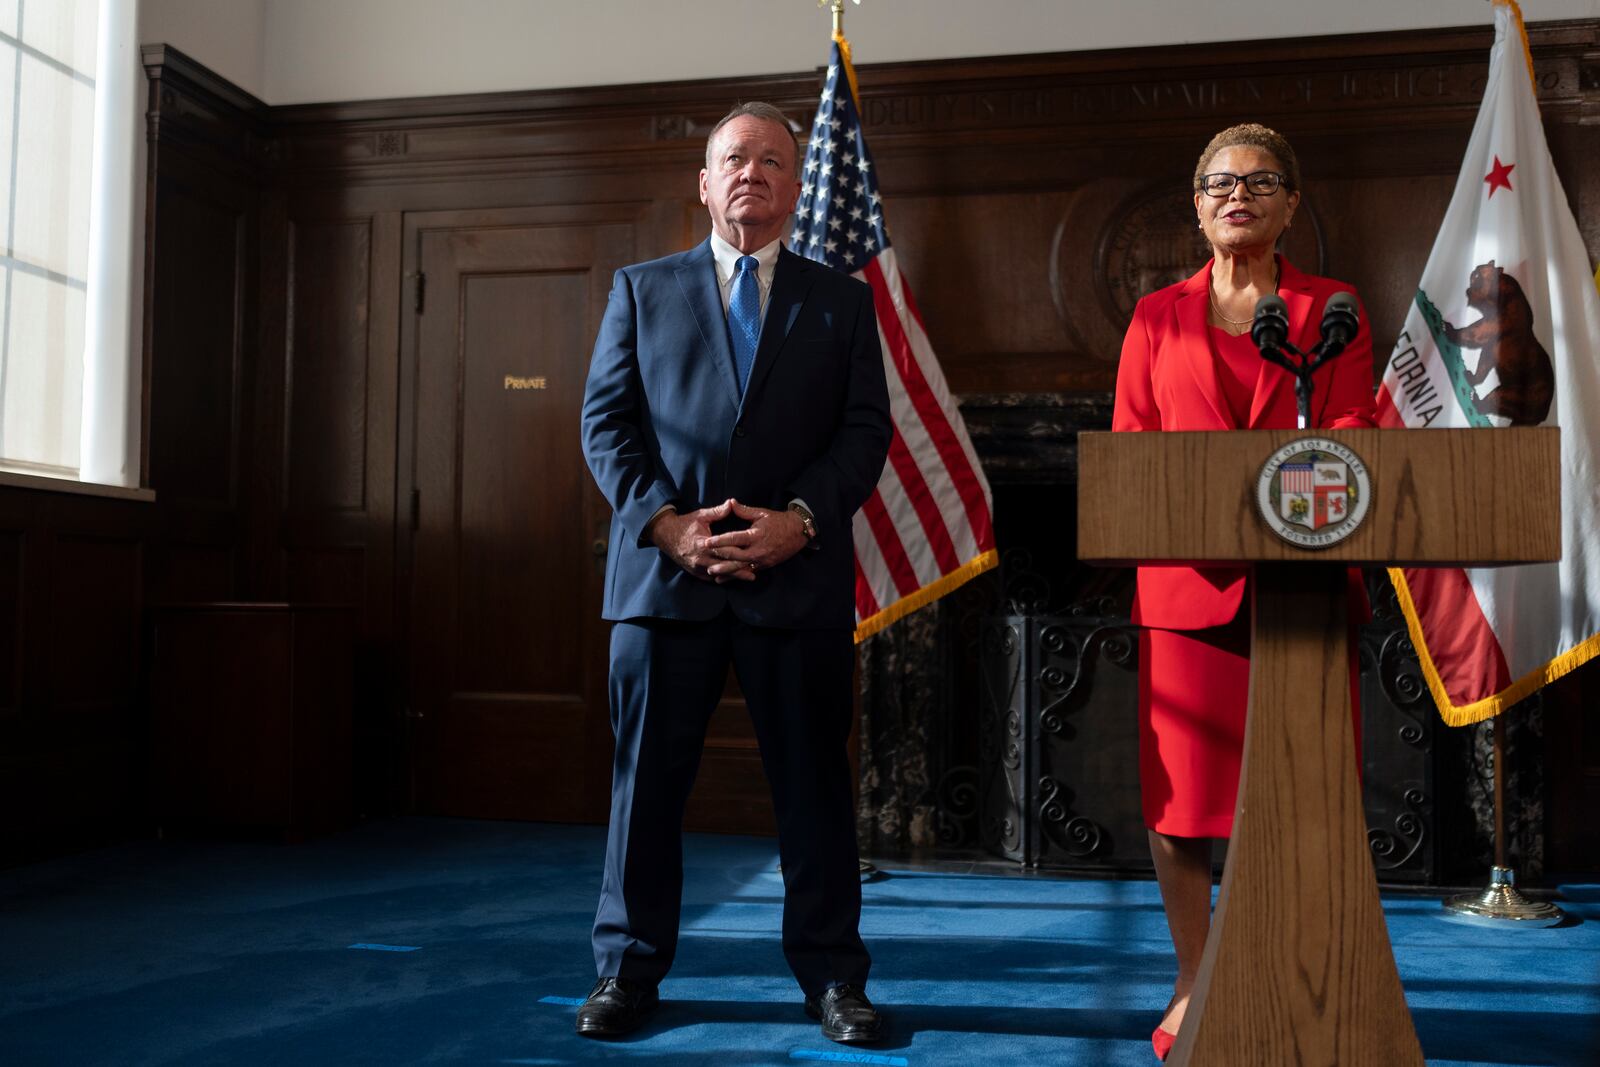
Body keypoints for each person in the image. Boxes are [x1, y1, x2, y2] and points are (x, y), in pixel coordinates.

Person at [576, 101, 893, 1045]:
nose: (751, 173)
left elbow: (865, 431)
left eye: (771, 161)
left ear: (796, 188)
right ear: (705, 183)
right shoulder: (641, 288)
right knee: (645, 792)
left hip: (793, 582)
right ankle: (627, 973)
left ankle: (834, 978)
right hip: (665, 585)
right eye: (732, 160)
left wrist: (801, 521)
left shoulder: (841, 301)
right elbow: (607, 424)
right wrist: (665, 526)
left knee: (814, 794)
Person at [1111, 123, 1376, 1061]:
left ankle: (1298, 977)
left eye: (1261, 181)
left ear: (1291, 203)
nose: (1238, 194)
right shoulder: (1154, 318)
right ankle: (1195, 974)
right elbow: (1132, 456)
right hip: (1186, 589)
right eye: (1219, 181)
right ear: (1197, 205)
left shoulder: (1331, 309)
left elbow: (1349, 437)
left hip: (1296, 594)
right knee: (1181, 803)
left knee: (1308, 803)